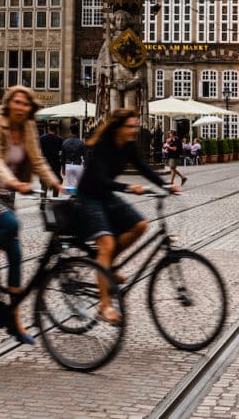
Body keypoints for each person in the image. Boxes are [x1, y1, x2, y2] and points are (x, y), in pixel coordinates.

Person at [0, 87, 61, 343]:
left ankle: (15, 321)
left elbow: (38, 160)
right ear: (9, 104)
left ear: (30, 107)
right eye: (16, 102)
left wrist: (57, 184)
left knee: (16, 254)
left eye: (25, 103)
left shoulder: (28, 127)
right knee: (11, 224)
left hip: (6, 195)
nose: (20, 107)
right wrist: (15, 182)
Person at [76, 107, 177, 324]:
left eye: (136, 127)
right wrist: (129, 187)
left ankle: (108, 265)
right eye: (130, 127)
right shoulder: (103, 146)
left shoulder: (128, 145)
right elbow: (99, 180)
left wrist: (166, 185)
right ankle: (104, 306)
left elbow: (143, 167)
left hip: (106, 195)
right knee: (107, 244)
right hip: (89, 196)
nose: (134, 131)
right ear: (118, 127)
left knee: (140, 225)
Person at [38, 121, 64, 192]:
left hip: (45, 163)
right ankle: (54, 200)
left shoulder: (42, 138)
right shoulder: (60, 139)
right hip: (55, 163)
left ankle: (43, 200)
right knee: (56, 182)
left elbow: (39, 151)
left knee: (44, 183)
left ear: (48, 128)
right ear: (56, 129)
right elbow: (61, 152)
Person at [61, 124, 86, 193]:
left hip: (68, 165)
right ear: (78, 131)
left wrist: (63, 169)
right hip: (78, 165)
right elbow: (85, 156)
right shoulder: (81, 143)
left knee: (71, 186)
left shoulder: (65, 142)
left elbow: (63, 157)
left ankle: (72, 198)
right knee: (80, 184)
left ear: (70, 131)